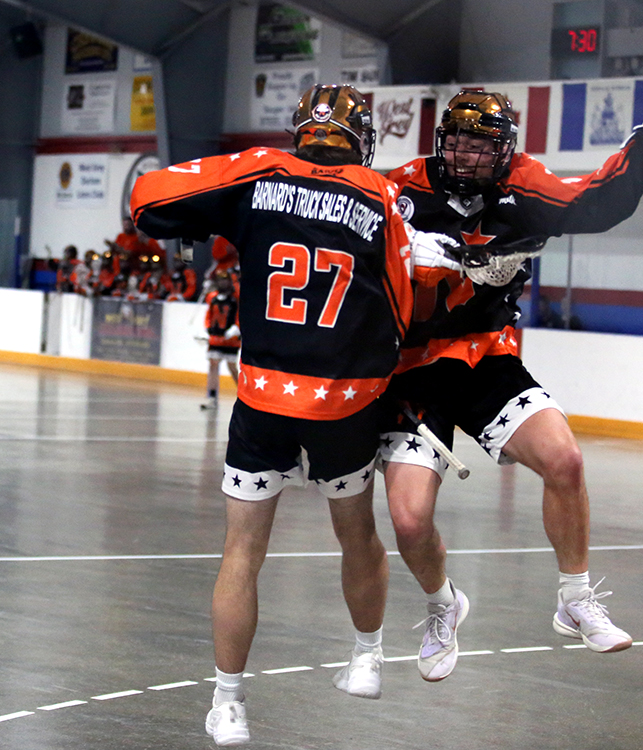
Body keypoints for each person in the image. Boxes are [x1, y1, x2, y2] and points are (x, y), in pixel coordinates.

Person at [131, 83, 460, 746]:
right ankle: (366, 657)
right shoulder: (384, 197)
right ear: (360, 136)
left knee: (243, 551)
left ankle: (227, 703)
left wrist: (209, 216)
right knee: (356, 533)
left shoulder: (257, 172)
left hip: (263, 401)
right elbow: (404, 312)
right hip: (345, 404)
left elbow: (149, 200)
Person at [378, 80, 643, 680]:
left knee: (565, 460)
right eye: (458, 142)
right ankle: (443, 605)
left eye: (481, 144)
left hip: (487, 359)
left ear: (504, 150)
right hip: (412, 370)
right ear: (440, 141)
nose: (467, 154)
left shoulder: (525, 183)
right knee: (410, 520)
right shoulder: (399, 188)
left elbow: (593, 203)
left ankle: (574, 600)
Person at [200, 269, 241, 410]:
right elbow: (209, 315)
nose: (223, 282)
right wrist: (207, 328)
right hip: (216, 338)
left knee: (232, 367)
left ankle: (243, 395)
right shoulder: (213, 297)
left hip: (231, 339)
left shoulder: (236, 297)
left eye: (226, 280)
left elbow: (240, 314)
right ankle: (211, 397)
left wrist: (236, 328)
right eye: (220, 280)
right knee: (213, 365)